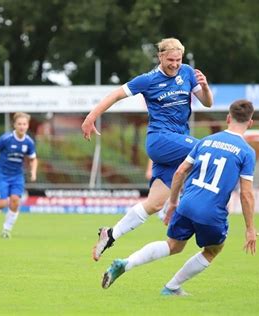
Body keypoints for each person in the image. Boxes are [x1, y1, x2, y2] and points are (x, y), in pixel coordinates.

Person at [101, 99, 257, 295]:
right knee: (212, 250)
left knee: (173, 245)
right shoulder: (247, 152)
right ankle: (171, 288)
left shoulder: (206, 141)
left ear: (228, 118)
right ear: (250, 123)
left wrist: (173, 202)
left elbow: (179, 172)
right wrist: (250, 228)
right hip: (211, 211)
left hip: (186, 204)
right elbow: (247, 194)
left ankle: (126, 263)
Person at [81, 37, 213, 261]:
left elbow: (207, 102)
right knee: (206, 148)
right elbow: (115, 95)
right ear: (160, 56)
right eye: (170, 60)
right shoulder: (148, 80)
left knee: (154, 203)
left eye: (178, 60)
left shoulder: (188, 73)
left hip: (178, 144)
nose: (174, 64)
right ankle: (208, 208)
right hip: (160, 140)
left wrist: (206, 87)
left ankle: (110, 234)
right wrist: (91, 117)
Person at [0, 112, 38, 239]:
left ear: (28, 126)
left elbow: (33, 158)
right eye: (19, 124)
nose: (22, 126)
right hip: (2, 174)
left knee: (15, 201)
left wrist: (33, 171)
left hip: (17, 176)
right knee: (2, 204)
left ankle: (6, 230)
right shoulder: (6, 139)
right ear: (14, 125)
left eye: (24, 124)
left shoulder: (29, 142)